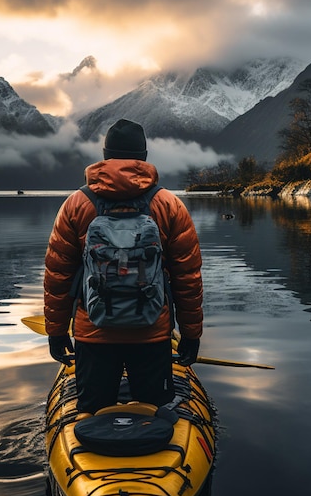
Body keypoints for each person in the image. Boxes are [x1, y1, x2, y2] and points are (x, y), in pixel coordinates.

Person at [43, 119, 203, 414]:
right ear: (143, 156)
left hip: (94, 333)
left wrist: (56, 331)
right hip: (151, 331)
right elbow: (187, 277)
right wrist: (191, 334)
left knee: (91, 413)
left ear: (105, 155)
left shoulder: (76, 204)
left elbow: (58, 275)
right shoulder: (169, 205)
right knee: (156, 415)